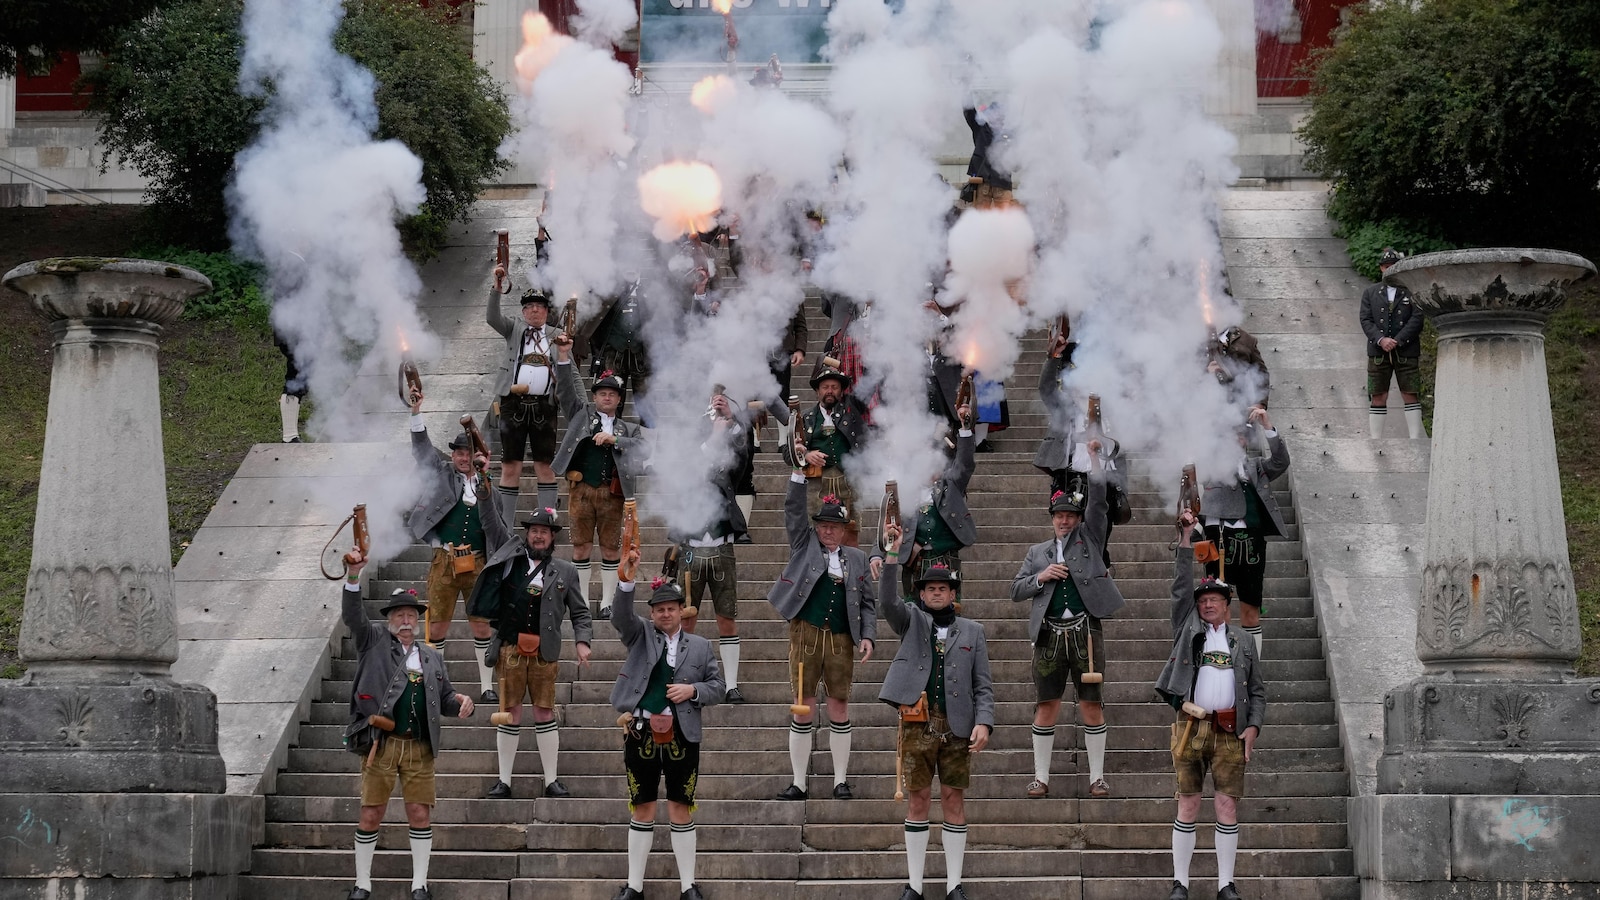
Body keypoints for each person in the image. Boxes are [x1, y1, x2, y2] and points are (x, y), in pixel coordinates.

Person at [340, 554, 474, 900]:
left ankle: (419, 884)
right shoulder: (372, 641)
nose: (405, 621)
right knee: (371, 813)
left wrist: (461, 702)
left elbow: (444, 698)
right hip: (380, 743)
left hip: (419, 746)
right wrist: (353, 575)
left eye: (411, 615)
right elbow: (353, 616)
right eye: (399, 615)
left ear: (418, 621)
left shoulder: (432, 657)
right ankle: (362, 883)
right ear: (389, 620)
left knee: (419, 812)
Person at [876, 536, 993, 900]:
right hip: (917, 721)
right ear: (922, 594)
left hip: (959, 725)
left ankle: (954, 884)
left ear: (953, 593)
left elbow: (983, 684)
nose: (937, 593)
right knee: (918, 800)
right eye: (931, 589)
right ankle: (914, 885)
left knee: (954, 800)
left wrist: (984, 722)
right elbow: (887, 602)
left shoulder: (974, 631)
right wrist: (892, 555)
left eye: (943, 588)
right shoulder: (910, 620)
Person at [1158, 510, 1267, 900]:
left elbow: (1258, 691)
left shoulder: (1243, 641)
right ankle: (1180, 883)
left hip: (1230, 730)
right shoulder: (1187, 628)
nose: (1208, 605)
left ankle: (1226, 884)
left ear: (1226, 605)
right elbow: (1179, 587)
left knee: (1226, 806)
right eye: (1203, 600)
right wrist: (1187, 539)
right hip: (1190, 727)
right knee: (1187, 804)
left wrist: (1253, 726)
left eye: (1215, 600)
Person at [607, 551, 726, 900]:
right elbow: (620, 616)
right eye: (659, 609)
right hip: (641, 730)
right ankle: (634, 886)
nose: (665, 614)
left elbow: (718, 687)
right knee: (642, 805)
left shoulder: (701, 646)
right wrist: (626, 581)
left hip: (682, 733)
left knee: (680, 806)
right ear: (652, 613)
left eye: (671, 608)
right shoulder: (639, 635)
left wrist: (693, 691)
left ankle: (688, 886)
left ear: (681, 610)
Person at [1010, 443, 1125, 800]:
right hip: (1048, 636)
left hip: (1085, 631)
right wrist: (1041, 577)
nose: (1064, 520)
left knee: (1091, 703)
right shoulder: (1037, 553)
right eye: (1059, 515)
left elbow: (1099, 504)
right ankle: (1040, 778)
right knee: (1046, 704)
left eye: (1070, 515)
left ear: (1077, 518)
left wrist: (1095, 462)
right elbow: (1015, 590)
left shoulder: (1091, 538)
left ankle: (1098, 777)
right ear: (1051, 518)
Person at [466, 498, 592, 799]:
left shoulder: (566, 570)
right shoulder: (509, 560)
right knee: (510, 712)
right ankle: (504, 781)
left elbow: (580, 612)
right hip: (510, 649)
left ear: (552, 537)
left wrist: (582, 641)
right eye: (534, 530)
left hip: (544, 653)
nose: (538, 536)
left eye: (543, 532)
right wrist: (484, 489)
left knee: (544, 712)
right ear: (527, 534)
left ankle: (551, 780)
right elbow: (490, 521)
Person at [768, 467, 877, 801]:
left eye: (835, 527)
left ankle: (840, 781)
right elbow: (793, 511)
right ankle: (799, 782)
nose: (829, 531)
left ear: (844, 530)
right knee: (803, 705)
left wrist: (868, 636)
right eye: (824, 526)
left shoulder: (858, 559)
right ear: (817, 527)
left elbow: (868, 604)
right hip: (806, 634)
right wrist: (798, 474)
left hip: (841, 639)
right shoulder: (804, 545)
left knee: (839, 706)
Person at [405, 389, 497, 702]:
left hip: (478, 563)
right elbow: (422, 452)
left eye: (467, 453)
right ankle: (435, 686)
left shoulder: (487, 483)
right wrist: (416, 413)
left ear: (477, 455)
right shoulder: (442, 473)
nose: (462, 458)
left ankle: (487, 686)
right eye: (458, 453)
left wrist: (485, 475)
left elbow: (497, 522)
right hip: (444, 561)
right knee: (437, 627)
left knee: (482, 627)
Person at [552, 333, 651, 617]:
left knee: (610, 549)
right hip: (581, 490)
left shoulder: (628, 428)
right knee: (581, 548)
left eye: (612, 394)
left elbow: (644, 448)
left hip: (613, 493)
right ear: (594, 397)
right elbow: (565, 391)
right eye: (602, 394)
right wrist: (563, 356)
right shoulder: (580, 414)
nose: (607, 397)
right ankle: (581, 603)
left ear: (619, 400)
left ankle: (607, 603)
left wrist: (614, 440)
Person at [672, 388, 755, 703]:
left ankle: (731, 684)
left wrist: (733, 422)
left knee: (727, 618)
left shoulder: (726, 451)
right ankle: (684, 678)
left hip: (721, 546)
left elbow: (743, 458)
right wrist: (715, 434)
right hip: (691, 547)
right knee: (687, 617)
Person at [1200, 407, 1290, 658]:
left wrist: (1267, 426)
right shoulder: (1210, 465)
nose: (1237, 439)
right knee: (1219, 607)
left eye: (1241, 435)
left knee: (1251, 608)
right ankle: (1222, 661)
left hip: (1252, 543)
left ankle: (1252, 667)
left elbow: (1281, 461)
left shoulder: (1256, 466)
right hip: (1219, 542)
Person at [871, 406, 976, 598]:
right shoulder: (904, 490)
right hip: (914, 563)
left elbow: (965, 464)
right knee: (912, 613)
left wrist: (965, 428)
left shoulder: (951, 483)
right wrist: (877, 553)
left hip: (946, 560)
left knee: (948, 612)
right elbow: (889, 525)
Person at [488, 269, 564, 523]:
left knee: (546, 465)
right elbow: (491, 318)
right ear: (523, 312)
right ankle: (505, 527)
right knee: (511, 466)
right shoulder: (513, 329)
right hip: (513, 405)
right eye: (529, 306)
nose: (534, 310)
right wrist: (497, 288)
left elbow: (571, 371)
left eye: (539, 306)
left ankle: (548, 522)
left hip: (545, 406)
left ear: (547, 312)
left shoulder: (556, 336)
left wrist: (581, 404)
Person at [793, 363, 869, 547]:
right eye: (825, 387)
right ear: (817, 391)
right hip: (817, 484)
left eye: (834, 387)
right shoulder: (806, 418)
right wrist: (807, 455)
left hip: (848, 481)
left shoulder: (852, 413)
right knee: (816, 533)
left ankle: (850, 565)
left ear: (841, 391)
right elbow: (789, 454)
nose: (830, 391)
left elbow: (866, 443)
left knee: (850, 531)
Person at [1359, 246, 1425, 439]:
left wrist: (1398, 340)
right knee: (1378, 394)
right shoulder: (1370, 292)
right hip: (1378, 351)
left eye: (1393, 266)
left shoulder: (1411, 291)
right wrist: (1381, 340)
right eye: (1386, 266)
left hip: (1406, 349)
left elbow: (1417, 318)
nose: (1389, 269)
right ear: (1381, 268)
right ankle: (1376, 440)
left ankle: (1415, 438)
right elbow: (1365, 319)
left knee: (1410, 393)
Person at [577, 275, 653, 426]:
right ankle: (610, 437)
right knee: (611, 400)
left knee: (647, 404)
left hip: (640, 354)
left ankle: (648, 439)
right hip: (613, 353)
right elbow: (592, 311)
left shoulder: (650, 286)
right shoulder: (608, 285)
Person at [275, 329, 307, 443]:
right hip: (294, 333)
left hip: (294, 333)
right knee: (295, 380)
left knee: (299, 379)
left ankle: (290, 435)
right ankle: (289, 436)